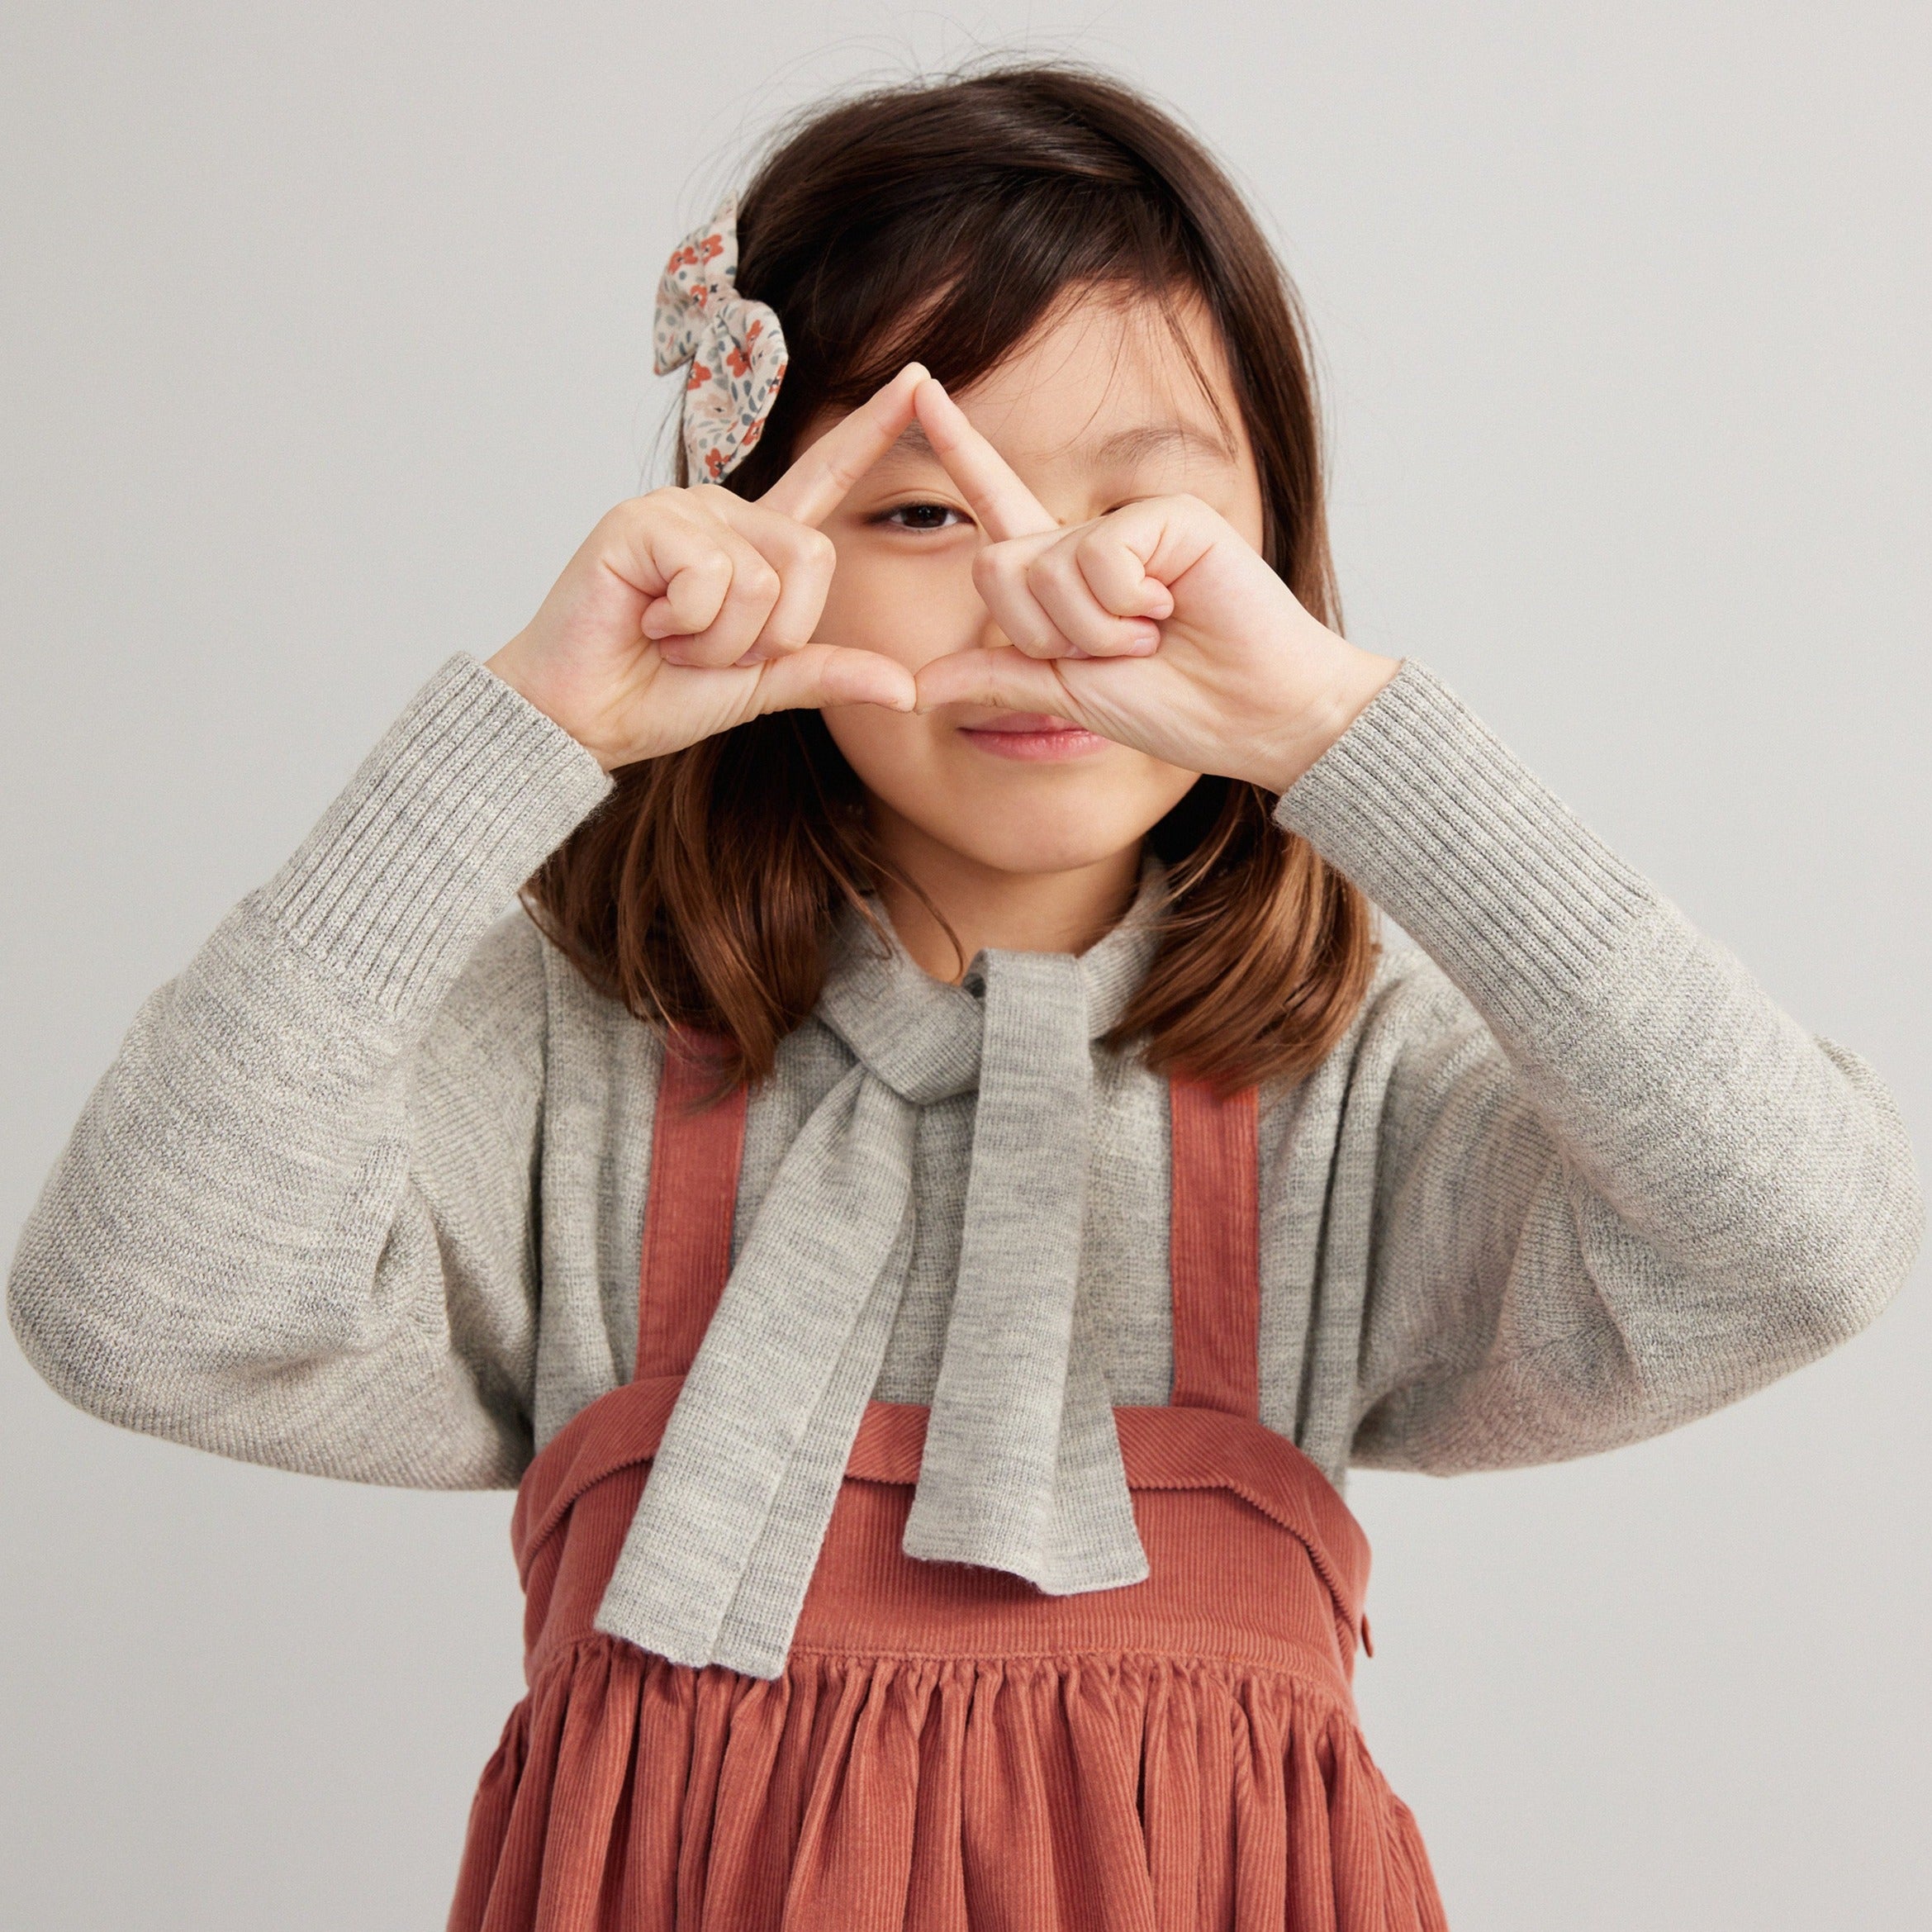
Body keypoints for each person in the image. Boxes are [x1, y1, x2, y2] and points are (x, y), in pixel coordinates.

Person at [7, 62, 1922, 1932]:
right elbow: (136, 1308)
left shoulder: (1349, 1079)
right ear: (751, 535)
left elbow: (1801, 1242)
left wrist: (1352, 736)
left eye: (1142, 518)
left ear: (1276, 551)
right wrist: (518, 734)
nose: (1033, 591)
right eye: (921, 513)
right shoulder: (573, 1049)